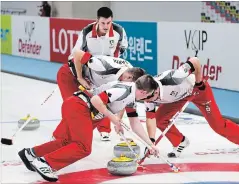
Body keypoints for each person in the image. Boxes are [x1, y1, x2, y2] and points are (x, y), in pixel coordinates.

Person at [18, 75, 159, 182]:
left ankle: (31, 154)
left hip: (76, 105)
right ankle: (45, 162)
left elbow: (135, 123)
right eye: (149, 94)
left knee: (67, 141)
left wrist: (150, 144)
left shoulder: (131, 96)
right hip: (80, 107)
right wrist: (113, 119)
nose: (149, 97)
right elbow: (95, 100)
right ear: (143, 91)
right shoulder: (124, 90)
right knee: (83, 147)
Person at [143, 57, 239, 158]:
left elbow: (195, 61)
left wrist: (199, 82)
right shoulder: (147, 96)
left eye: (149, 99)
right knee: (160, 119)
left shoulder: (174, 78)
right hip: (179, 97)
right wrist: (150, 142)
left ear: (155, 91)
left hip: (198, 91)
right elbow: (150, 119)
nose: (147, 102)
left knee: (218, 125)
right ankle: (180, 141)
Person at [57, 6, 128, 140]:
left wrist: (113, 63)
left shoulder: (119, 31)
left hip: (106, 70)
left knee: (105, 98)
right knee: (84, 102)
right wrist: (80, 75)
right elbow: (75, 54)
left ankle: (105, 129)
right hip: (89, 68)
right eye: (103, 23)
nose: (106, 26)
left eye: (109, 23)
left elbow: (122, 48)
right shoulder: (87, 32)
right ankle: (64, 135)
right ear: (97, 21)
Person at [56, 51, 145, 141]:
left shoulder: (130, 76)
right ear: (129, 78)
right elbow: (78, 54)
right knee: (73, 111)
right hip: (70, 74)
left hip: (90, 83)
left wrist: (117, 121)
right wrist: (80, 78)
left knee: (93, 114)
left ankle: (70, 139)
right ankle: (59, 139)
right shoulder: (104, 66)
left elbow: (122, 98)